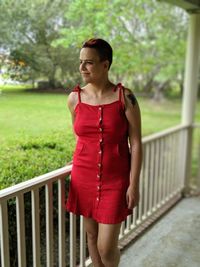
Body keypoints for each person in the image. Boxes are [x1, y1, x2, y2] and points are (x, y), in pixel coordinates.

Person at [66, 38, 142, 267]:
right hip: (83, 178)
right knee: (90, 237)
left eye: (88, 63)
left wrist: (133, 183)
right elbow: (79, 135)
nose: (82, 68)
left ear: (105, 65)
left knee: (106, 248)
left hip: (115, 181)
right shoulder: (74, 98)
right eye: (80, 62)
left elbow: (136, 143)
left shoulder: (125, 98)